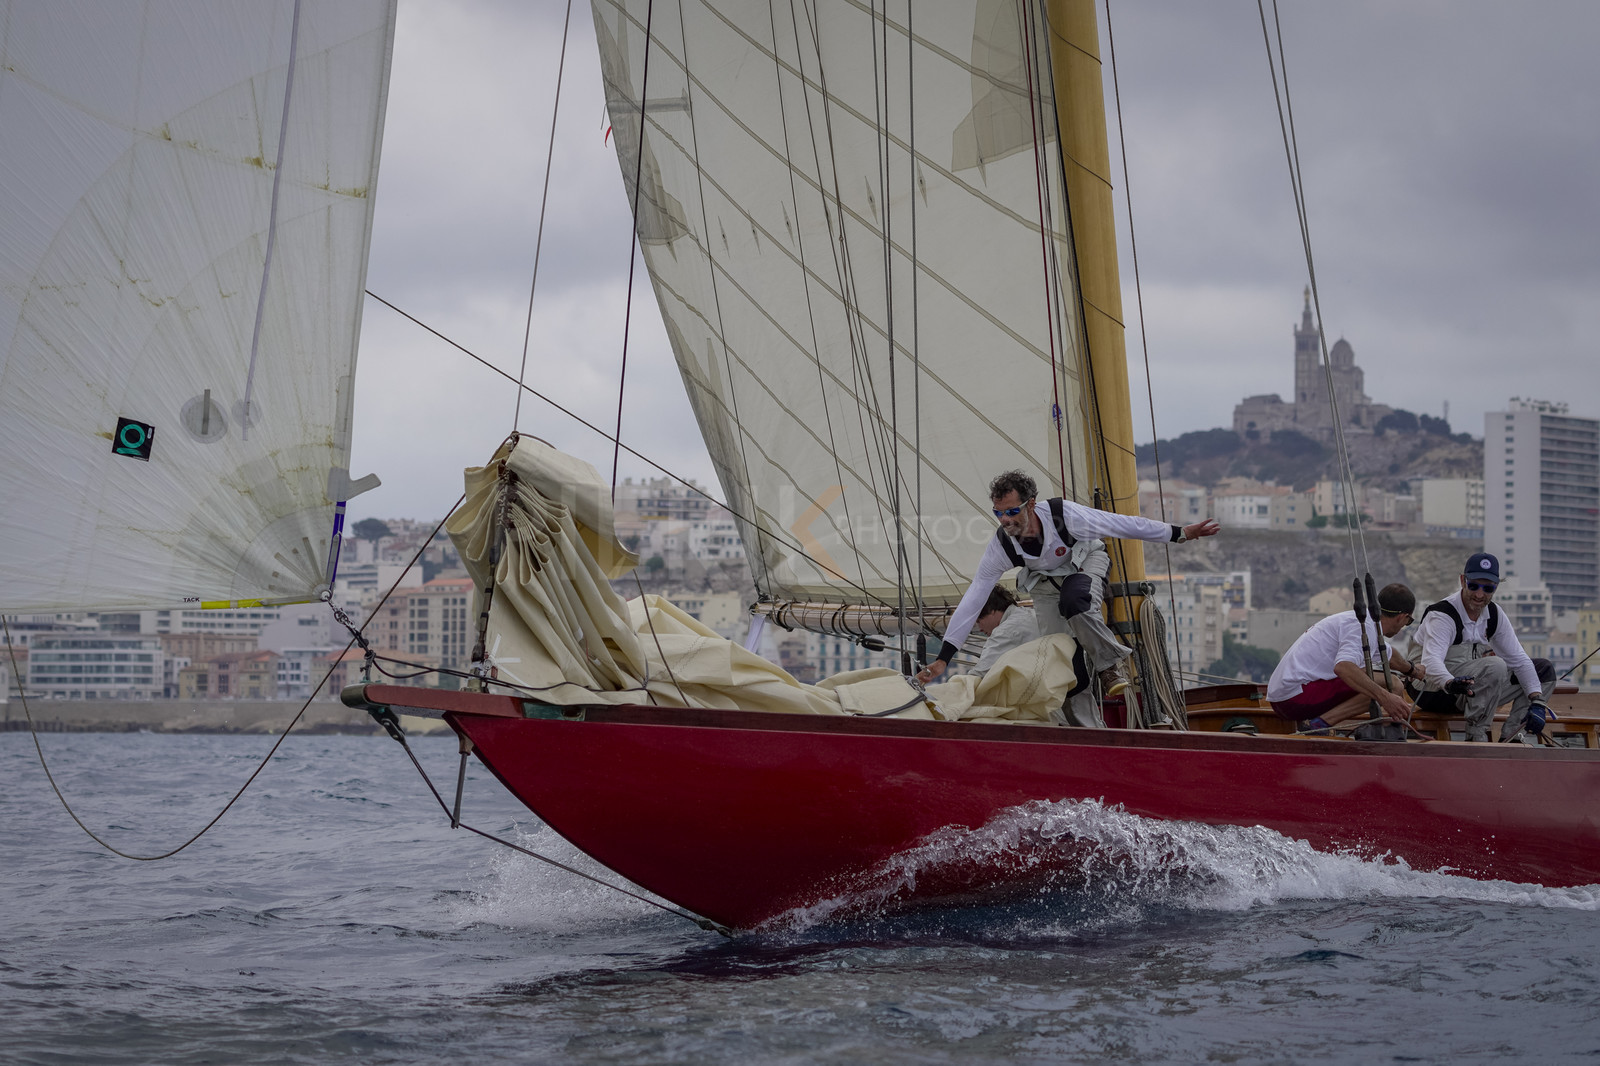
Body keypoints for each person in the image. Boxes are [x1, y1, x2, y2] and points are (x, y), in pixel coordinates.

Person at [916, 470, 1220, 726]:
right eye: (998, 513)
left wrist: (1178, 533)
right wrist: (944, 658)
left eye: (1011, 512)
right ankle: (1086, 729)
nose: (1005, 520)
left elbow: (1121, 524)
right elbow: (974, 598)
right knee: (1060, 659)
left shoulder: (1064, 516)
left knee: (1075, 601)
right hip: (1045, 583)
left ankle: (1109, 666)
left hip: (1085, 562)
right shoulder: (1001, 546)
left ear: (1031, 504)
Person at [1415, 552, 1555, 742]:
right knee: (1496, 665)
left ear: (1496, 587)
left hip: (1470, 690)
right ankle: (1476, 736)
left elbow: (1520, 660)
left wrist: (1537, 701)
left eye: (1488, 588)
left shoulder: (1494, 614)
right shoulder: (1442, 615)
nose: (1480, 595)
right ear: (1463, 581)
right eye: (1474, 586)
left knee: (1543, 670)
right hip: (1433, 690)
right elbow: (1430, 662)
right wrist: (1450, 683)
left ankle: (1513, 736)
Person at [1266, 583, 1419, 733]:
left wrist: (1414, 671)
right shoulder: (1363, 628)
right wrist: (1385, 698)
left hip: (1285, 695)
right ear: (1402, 617)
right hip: (1293, 699)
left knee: (1388, 681)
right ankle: (1320, 725)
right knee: (1390, 684)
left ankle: (1391, 730)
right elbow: (1343, 667)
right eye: (1409, 621)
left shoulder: (1364, 622)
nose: (1405, 625)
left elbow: (1390, 656)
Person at [970, 585, 1039, 676]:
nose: (980, 629)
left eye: (979, 621)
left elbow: (982, 672)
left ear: (991, 611)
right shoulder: (1031, 614)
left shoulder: (1005, 631)